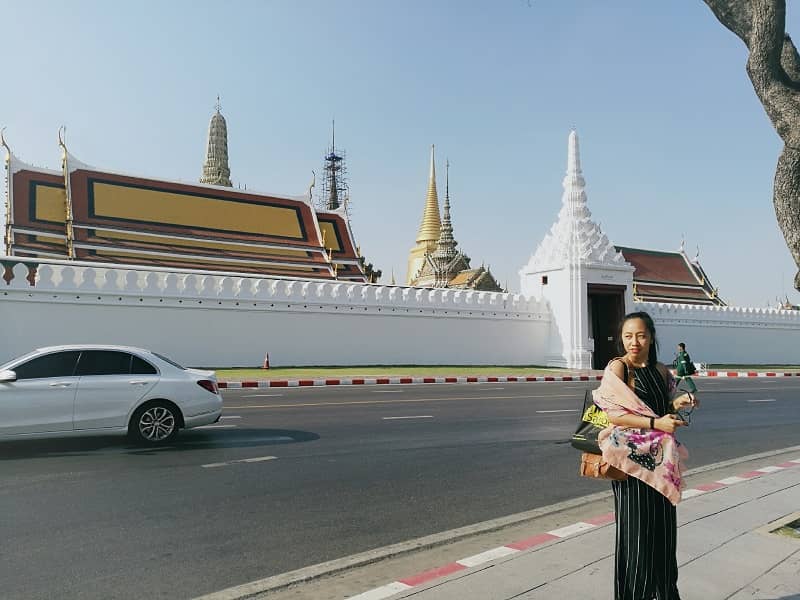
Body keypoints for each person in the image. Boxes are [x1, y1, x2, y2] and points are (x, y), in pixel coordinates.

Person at [592, 311, 698, 600]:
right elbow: (614, 413)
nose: (634, 342)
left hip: (661, 466)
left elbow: (668, 404)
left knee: (664, 538)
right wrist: (656, 423)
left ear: (651, 337)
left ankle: (665, 594)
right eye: (628, 336)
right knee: (636, 538)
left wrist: (681, 401)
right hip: (630, 466)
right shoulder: (619, 368)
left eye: (640, 335)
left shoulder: (661, 370)